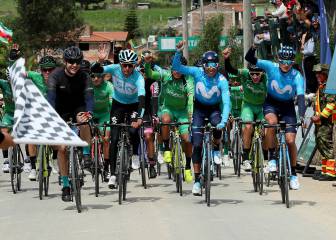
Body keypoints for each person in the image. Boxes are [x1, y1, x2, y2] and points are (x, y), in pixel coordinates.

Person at [172, 41, 230, 195]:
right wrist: (178, 52)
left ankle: (216, 147)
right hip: (199, 110)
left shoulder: (222, 80)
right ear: (203, 65)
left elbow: (226, 102)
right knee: (196, 145)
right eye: (208, 65)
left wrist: (224, 121)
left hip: (214, 110)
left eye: (214, 65)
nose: (211, 69)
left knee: (218, 124)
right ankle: (197, 181)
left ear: (218, 65)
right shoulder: (197, 72)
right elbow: (178, 68)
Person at [245, 45, 306, 190]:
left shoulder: (297, 75)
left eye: (289, 62)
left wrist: (302, 116)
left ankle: (293, 174)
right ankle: (271, 158)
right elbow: (249, 59)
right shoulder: (270, 66)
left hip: (288, 107)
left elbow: (301, 97)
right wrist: (254, 46)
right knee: (272, 123)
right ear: (278, 60)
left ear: (292, 62)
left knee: (291, 141)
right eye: (283, 62)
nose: (286, 65)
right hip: (271, 103)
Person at [91, 48, 145, 189]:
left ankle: (134, 155)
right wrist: (101, 61)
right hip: (118, 105)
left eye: (130, 65)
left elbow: (142, 98)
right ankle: (113, 174)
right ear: (120, 64)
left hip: (133, 105)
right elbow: (97, 70)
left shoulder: (138, 77)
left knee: (133, 130)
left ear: (134, 65)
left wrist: (139, 117)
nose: (126, 68)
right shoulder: (114, 68)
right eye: (124, 65)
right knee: (114, 138)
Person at [47, 46, 94, 201]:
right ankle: (66, 185)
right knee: (62, 148)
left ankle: (86, 154)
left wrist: (89, 112)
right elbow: (51, 99)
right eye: (71, 62)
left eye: (77, 62)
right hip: (60, 110)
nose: (74, 65)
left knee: (84, 121)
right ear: (65, 62)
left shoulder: (84, 76)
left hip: (78, 107)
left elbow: (89, 97)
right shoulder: (55, 76)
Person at [144, 53, 194, 183]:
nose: (177, 71)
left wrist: (190, 113)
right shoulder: (165, 75)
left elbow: (190, 98)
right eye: (175, 68)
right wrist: (148, 64)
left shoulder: (188, 79)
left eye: (180, 68)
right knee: (165, 120)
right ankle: (166, 148)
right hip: (168, 109)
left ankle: (188, 167)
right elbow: (150, 75)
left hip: (182, 112)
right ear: (171, 67)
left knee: (188, 140)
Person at [223, 47, 267, 171]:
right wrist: (227, 59)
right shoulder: (244, 74)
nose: (254, 76)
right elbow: (230, 69)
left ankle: (267, 158)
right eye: (252, 74)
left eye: (257, 74)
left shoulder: (266, 78)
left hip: (261, 107)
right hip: (248, 106)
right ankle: (246, 158)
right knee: (248, 127)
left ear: (262, 73)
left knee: (267, 130)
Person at [23, 56, 57, 180]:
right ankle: (33, 168)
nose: (47, 72)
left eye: (50, 69)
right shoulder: (35, 76)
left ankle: (54, 160)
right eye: (44, 70)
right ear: (40, 70)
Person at [311, 64, 336, 181]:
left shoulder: (329, 87)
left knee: (326, 144)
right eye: (316, 73)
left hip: (326, 121)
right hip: (320, 121)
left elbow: (331, 104)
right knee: (321, 144)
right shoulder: (321, 86)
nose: (317, 75)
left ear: (325, 74)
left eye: (319, 73)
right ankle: (325, 171)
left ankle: (331, 173)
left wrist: (319, 117)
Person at [90, 71, 113, 182]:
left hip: (105, 114)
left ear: (103, 77)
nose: (95, 78)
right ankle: (86, 158)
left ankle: (107, 167)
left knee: (106, 139)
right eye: (93, 76)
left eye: (98, 76)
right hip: (91, 114)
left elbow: (112, 103)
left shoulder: (108, 86)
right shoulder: (88, 86)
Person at [1, 47, 19, 173]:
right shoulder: (3, 83)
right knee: (3, 132)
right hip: (8, 114)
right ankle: (6, 161)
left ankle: (29, 160)